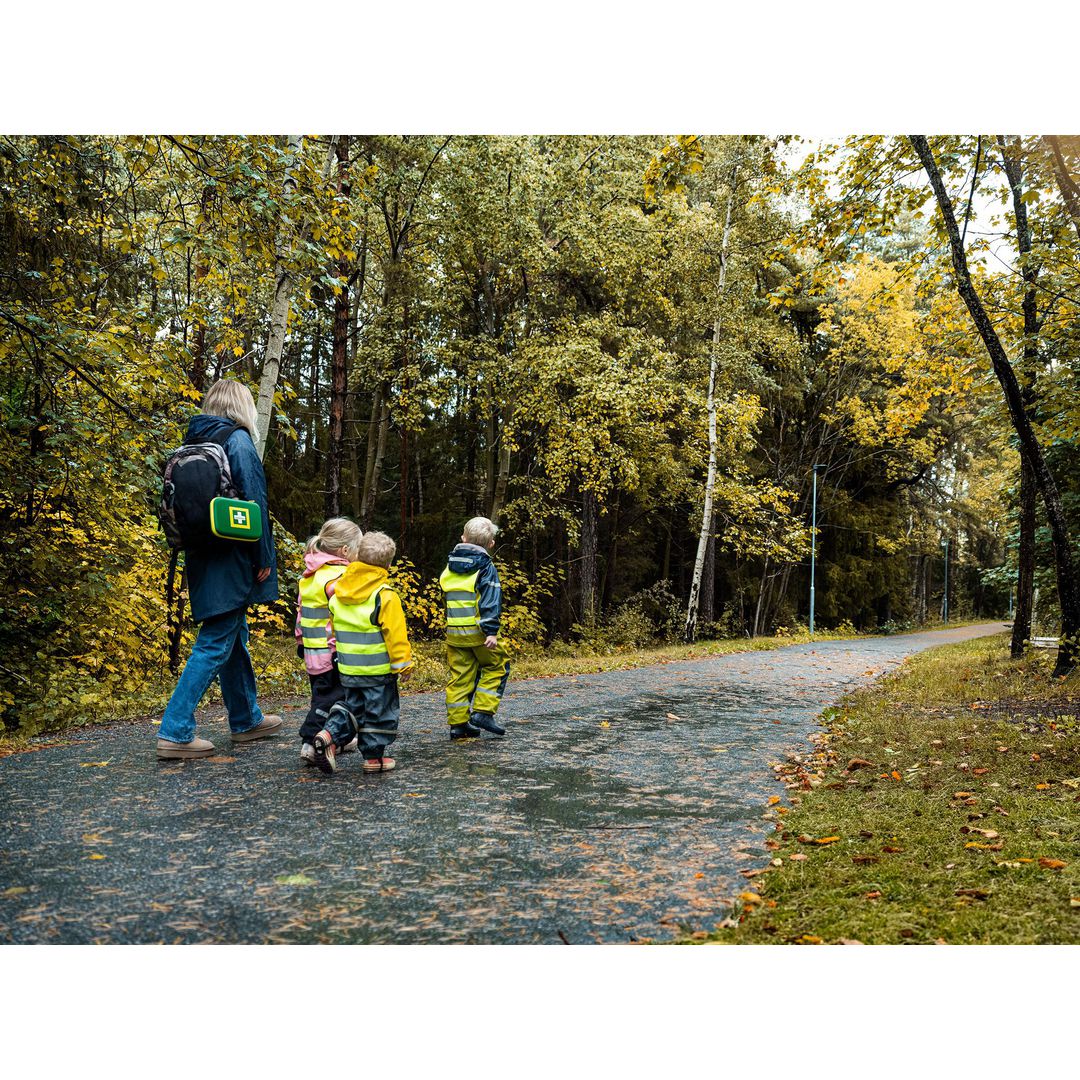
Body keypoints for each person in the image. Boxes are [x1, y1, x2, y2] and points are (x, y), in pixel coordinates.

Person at [156, 380, 283, 759]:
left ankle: (245, 718)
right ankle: (175, 731)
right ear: (242, 406)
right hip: (233, 555)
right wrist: (263, 557)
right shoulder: (238, 441)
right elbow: (255, 502)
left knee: (232, 635)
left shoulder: (190, 445)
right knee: (215, 641)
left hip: (201, 554)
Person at [312, 531, 414, 774]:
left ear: (357, 556)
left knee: (354, 708)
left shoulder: (339, 592)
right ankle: (373, 759)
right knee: (380, 712)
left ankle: (329, 734)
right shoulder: (385, 595)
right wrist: (404, 664)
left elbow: (334, 626)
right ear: (388, 565)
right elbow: (395, 635)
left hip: (349, 668)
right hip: (378, 671)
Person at [295, 517, 364, 764]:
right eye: (358, 548)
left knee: (322, 695)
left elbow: (302, 613)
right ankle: (310, 742)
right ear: (345, 550)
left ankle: (337, 740)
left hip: (312, 651)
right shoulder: (340, 578)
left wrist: (301, 642)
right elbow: (348, 616)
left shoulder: (309, 576)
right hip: (334, 651)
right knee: (333, 700)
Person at [438, 516, 510, 739]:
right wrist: (491, 631)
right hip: (479, 632)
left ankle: (458, 724)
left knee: (460, 676)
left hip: (454, 632)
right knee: (497, 666)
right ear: (491, 544)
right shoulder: (486, 567)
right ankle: (483, 712)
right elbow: (490, 600)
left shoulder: (450, 567)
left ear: (463, 538)